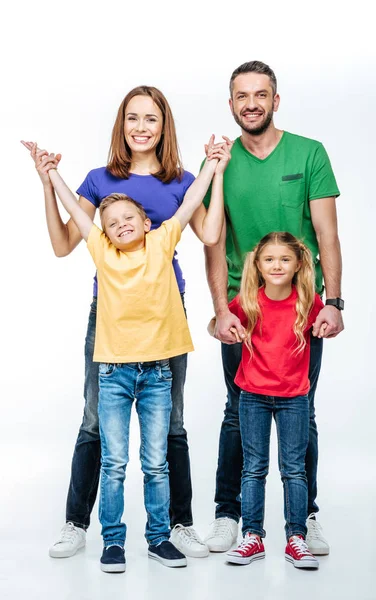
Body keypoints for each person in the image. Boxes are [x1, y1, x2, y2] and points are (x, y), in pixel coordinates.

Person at [22, 85, 226, 559]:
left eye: (151, 119)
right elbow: (63, 242)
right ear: (122, 124)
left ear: (163, 126)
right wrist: (47, 183)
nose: (140, 127)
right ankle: (77, 523)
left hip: (164, 314)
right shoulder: (98, 178)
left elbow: (211, 232)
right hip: (110, 316)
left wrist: (217, 169)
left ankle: (177, 524)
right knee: (95, 418)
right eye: (132, 118)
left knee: (171, 423)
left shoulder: (179, 179)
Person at [203, 61, 344, 555]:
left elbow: (327, 234)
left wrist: (334, 302)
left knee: (300, 411)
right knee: (236, 413)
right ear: (231, 104)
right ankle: (229, 515)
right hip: (243, 312)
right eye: (242, 96)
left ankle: (303, 517)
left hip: (303, 311)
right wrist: (221, 309)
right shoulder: (219, 163)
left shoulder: (309, 154)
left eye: (261, 94)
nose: (252, 103)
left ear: (276, 101)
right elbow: (213, 243)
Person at [209, 232, 326, 569]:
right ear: (258, 265)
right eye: (270, 260)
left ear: (298, 264)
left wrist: (327, 322)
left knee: (294, 470)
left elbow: (324, 322)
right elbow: (219, 324)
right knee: (253, 468)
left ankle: (296, 538)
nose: (277, 265)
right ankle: (252, 537)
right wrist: (221, 326)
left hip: (294, 398)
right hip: (253, 397)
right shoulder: (247, 300)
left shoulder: (308, 301)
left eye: (285, 259)